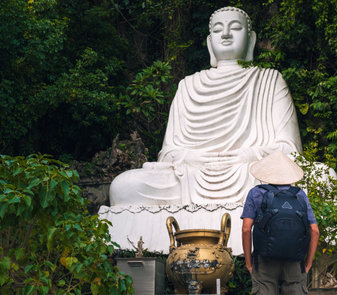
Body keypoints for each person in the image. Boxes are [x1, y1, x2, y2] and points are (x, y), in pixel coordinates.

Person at [109, 7, 302, 206]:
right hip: (191, 176)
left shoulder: (269, 80)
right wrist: (194, 158)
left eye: (235, 28)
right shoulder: (188, 85)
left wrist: (248, 155)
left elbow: (289, 149)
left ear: (251, 39)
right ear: (210, 42)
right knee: (124, 186)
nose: (226, 34)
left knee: (322, 179)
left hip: (252, 173)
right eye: (218, 30)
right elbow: (168, 153)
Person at [241, 151, 320, 295]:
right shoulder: (299, 195)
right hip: (295, 262)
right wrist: (307, 265)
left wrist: (249, 264)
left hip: (264, 261)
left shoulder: (256, 193)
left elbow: (246, 229)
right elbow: (314, 230)